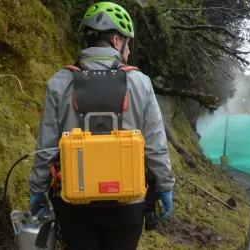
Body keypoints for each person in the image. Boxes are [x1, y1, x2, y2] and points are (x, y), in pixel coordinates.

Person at [27, 2, 175, 249]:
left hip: (73, 202)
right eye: (128, 43)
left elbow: (47, 146)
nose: (128, 51)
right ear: (117, 40)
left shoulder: (59, 82)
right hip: (128, 204)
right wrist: (165, 186)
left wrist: (38, 189)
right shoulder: (140, 83)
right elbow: (155, 145)